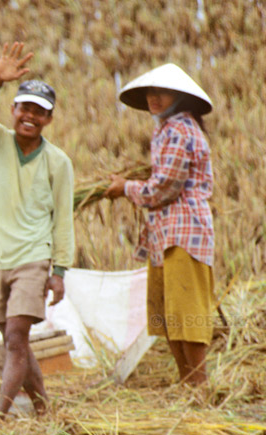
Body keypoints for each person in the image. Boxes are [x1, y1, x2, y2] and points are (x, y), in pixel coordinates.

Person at [0, 42, 75, 418]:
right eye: (25, 108)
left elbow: (63, 217)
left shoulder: (58, 163)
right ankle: (44, 406)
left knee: (16, 338)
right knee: (14, 340)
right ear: (14, 111)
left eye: (40, 112)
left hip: (33, 258)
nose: (30, 116)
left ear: (48, 120)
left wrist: (59, 271)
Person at [104, 64, 215, 385]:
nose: (153, 98)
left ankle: (198, 389)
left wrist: (125, 187)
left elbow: (163, 187)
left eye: (161, 92)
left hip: (184, 233)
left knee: (187, 315)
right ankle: (188, 387)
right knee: (167, 315)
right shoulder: (166, 129)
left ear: (180, 97)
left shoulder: (179, 130)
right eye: (150, 93)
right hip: (165, 234)